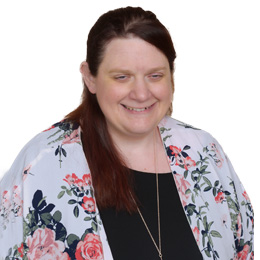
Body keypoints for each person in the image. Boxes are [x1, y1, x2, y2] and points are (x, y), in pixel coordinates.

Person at [0, 6, 254, 260]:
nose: (141, 94)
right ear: (90, 78)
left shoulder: (205, 153)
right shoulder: (42, 164)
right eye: (122, 77)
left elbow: (242, 248)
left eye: (155, 76)